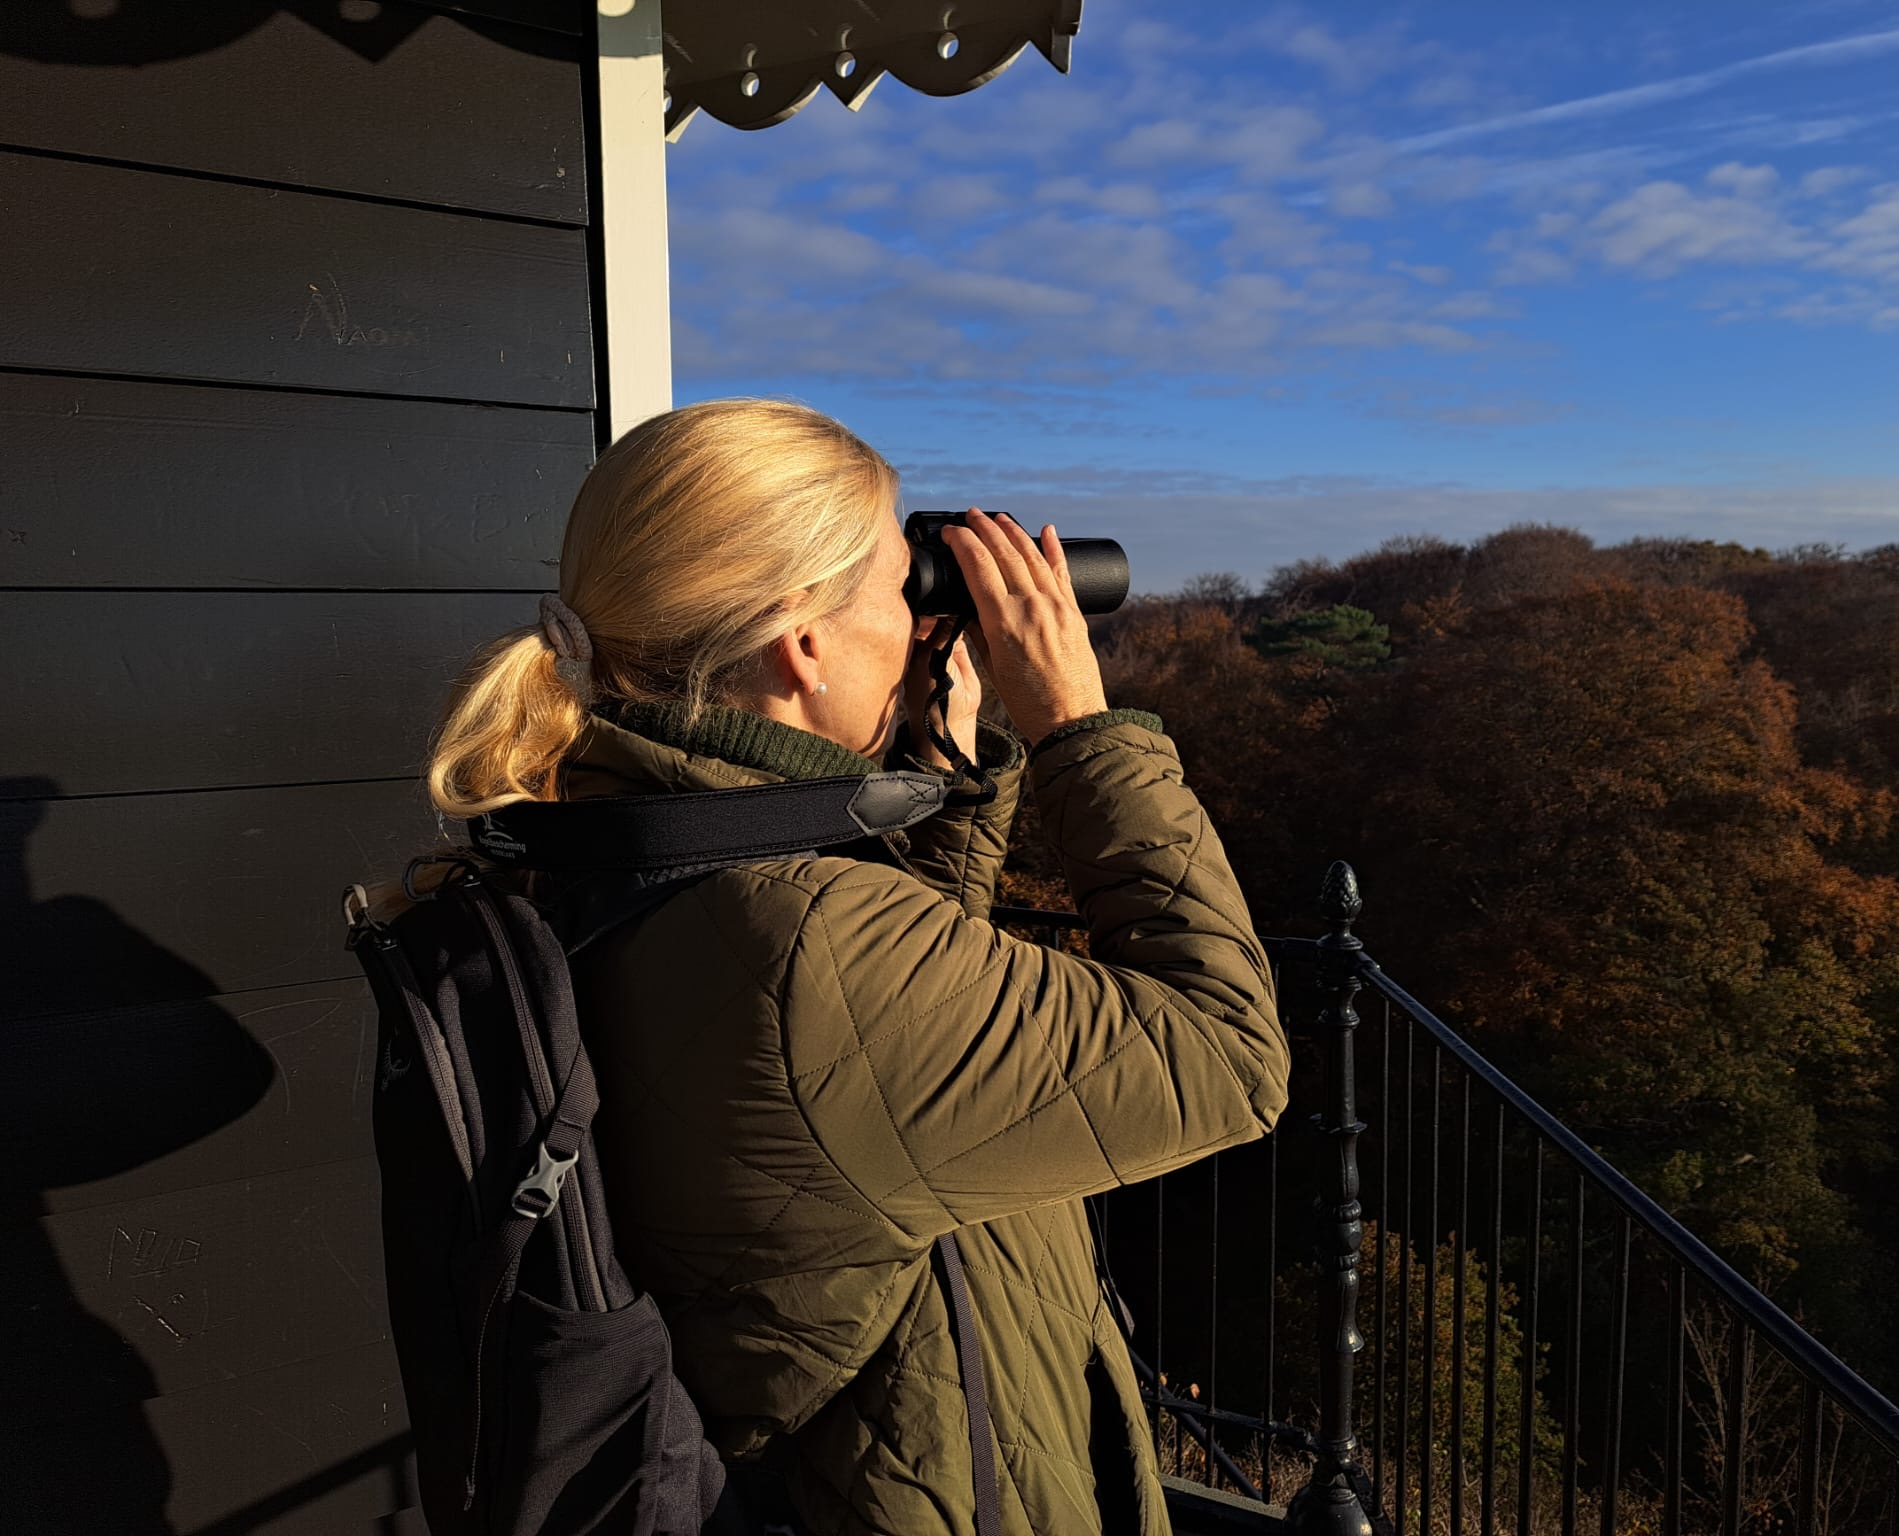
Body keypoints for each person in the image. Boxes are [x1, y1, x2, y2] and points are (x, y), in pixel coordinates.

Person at [424, 398, 1287, 1535]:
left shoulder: (601, 838)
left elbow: (869, 1055)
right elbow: (1225, 1055)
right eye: (900, 583)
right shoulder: (799, 942)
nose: (921, 612)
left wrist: (950, 762)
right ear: (804, 640)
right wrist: (1079, 725)